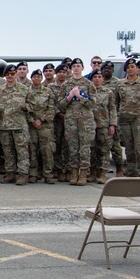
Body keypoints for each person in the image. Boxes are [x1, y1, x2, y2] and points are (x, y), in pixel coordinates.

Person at [58, 58, 94, 186]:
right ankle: (74, 173)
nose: (76, 68)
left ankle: (83, 173)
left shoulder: (89, 84)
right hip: (71, 120)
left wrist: (79, 96)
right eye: (74, 66)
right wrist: (69, 96)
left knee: (84, 148)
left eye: (78, 66)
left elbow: (92, 104)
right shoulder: (66, 85)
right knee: (72, 148)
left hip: (85, 121)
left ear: (82, 68)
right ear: (71, 69)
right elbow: (61, 106)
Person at [113, 59, 140, 177]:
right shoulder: (120, 84)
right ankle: (131, 169)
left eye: (132, 66)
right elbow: (116, 101)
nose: (130, 69)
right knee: (129, 147)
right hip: (125, 119)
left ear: (136, 68)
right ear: (126, 69)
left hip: (139, 119)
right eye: (128, 67)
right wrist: (119, 114)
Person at [0, 64, 30, 185]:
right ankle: (10, 173)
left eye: (12, 74)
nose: (10, 76)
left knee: (22, 150)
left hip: (19, 125)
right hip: (4, 125)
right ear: (5, 75)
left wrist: (24, 107)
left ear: (16, 75)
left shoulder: (24, 89)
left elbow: (32, 106)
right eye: (7, 74)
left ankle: (23, 174)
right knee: (7, 150)